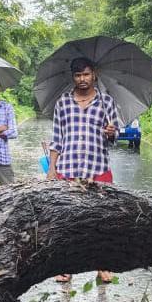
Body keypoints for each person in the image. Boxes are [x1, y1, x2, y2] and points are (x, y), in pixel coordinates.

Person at [47, 57, 119, 283]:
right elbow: (57, 139)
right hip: (68, 168)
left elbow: (114, 137)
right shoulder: (62, 103)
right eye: (78, 75)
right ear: (73, 77)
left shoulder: (107, 102)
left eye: (86, 74)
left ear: (94, 74)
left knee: (101, 219)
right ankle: (64, 266)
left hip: (98, 167)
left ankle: (102, 264)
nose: (82, 79)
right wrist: (51, 169)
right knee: (66, 220)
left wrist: (111, 133)